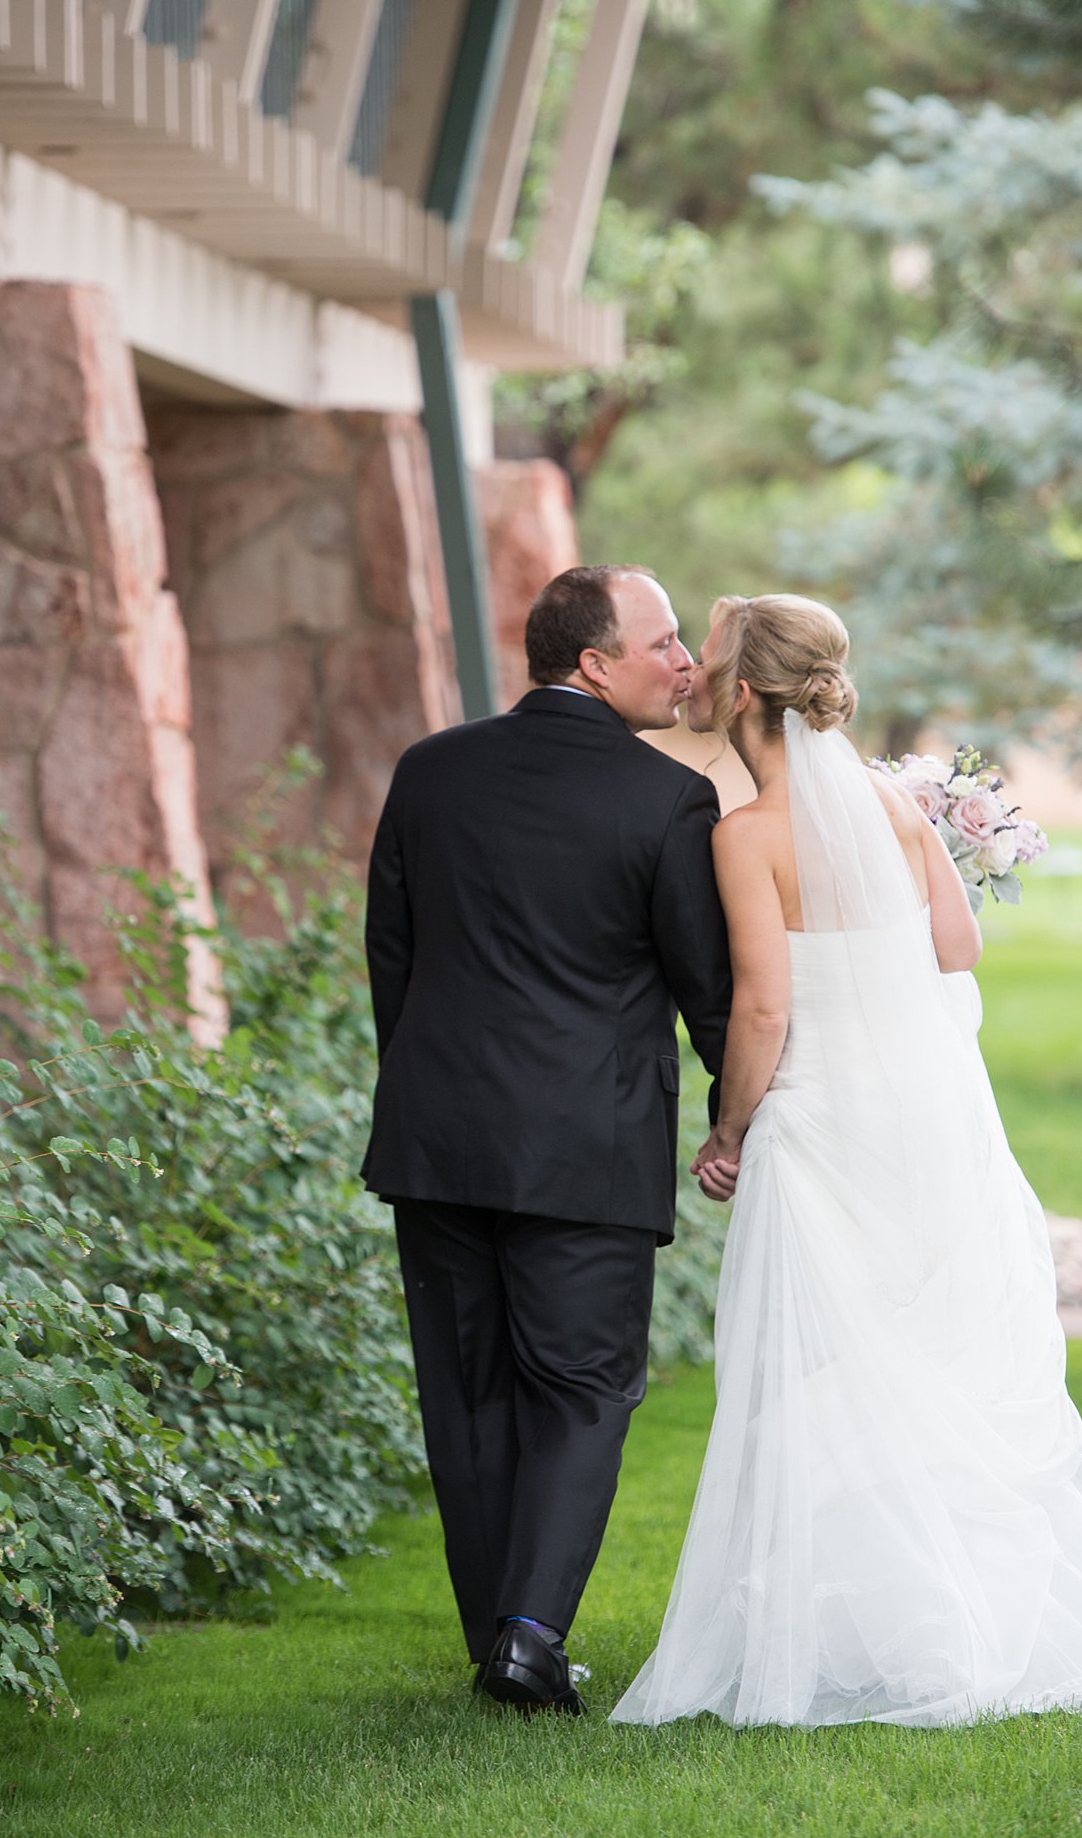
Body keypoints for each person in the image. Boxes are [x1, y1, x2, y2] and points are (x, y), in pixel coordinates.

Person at [613, 593, 1082, 1729]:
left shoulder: (741, 835)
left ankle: (845, 1624)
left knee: (819, 1378)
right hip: (931, 1114)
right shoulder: (891, 802)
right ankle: (944, 1613)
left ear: (740, 695)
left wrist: (728, 1128)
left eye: (709, 660)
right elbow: (957, 944)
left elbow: (759, 1011)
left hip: (820, 1126)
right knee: (932, 1357)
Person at [363, 565, 732, 1714]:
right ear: (592, 663)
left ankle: (504, 1642)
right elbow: (705, 990)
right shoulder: (666, 800)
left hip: (438, 1140)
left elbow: (393, 956)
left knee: (466, 1394)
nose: (684, 663)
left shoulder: (428, 769)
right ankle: (528, 1636)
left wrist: (427, 1085)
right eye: (663, 642)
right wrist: (746, 1106)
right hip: (586, 1147)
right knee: (581, 1389)